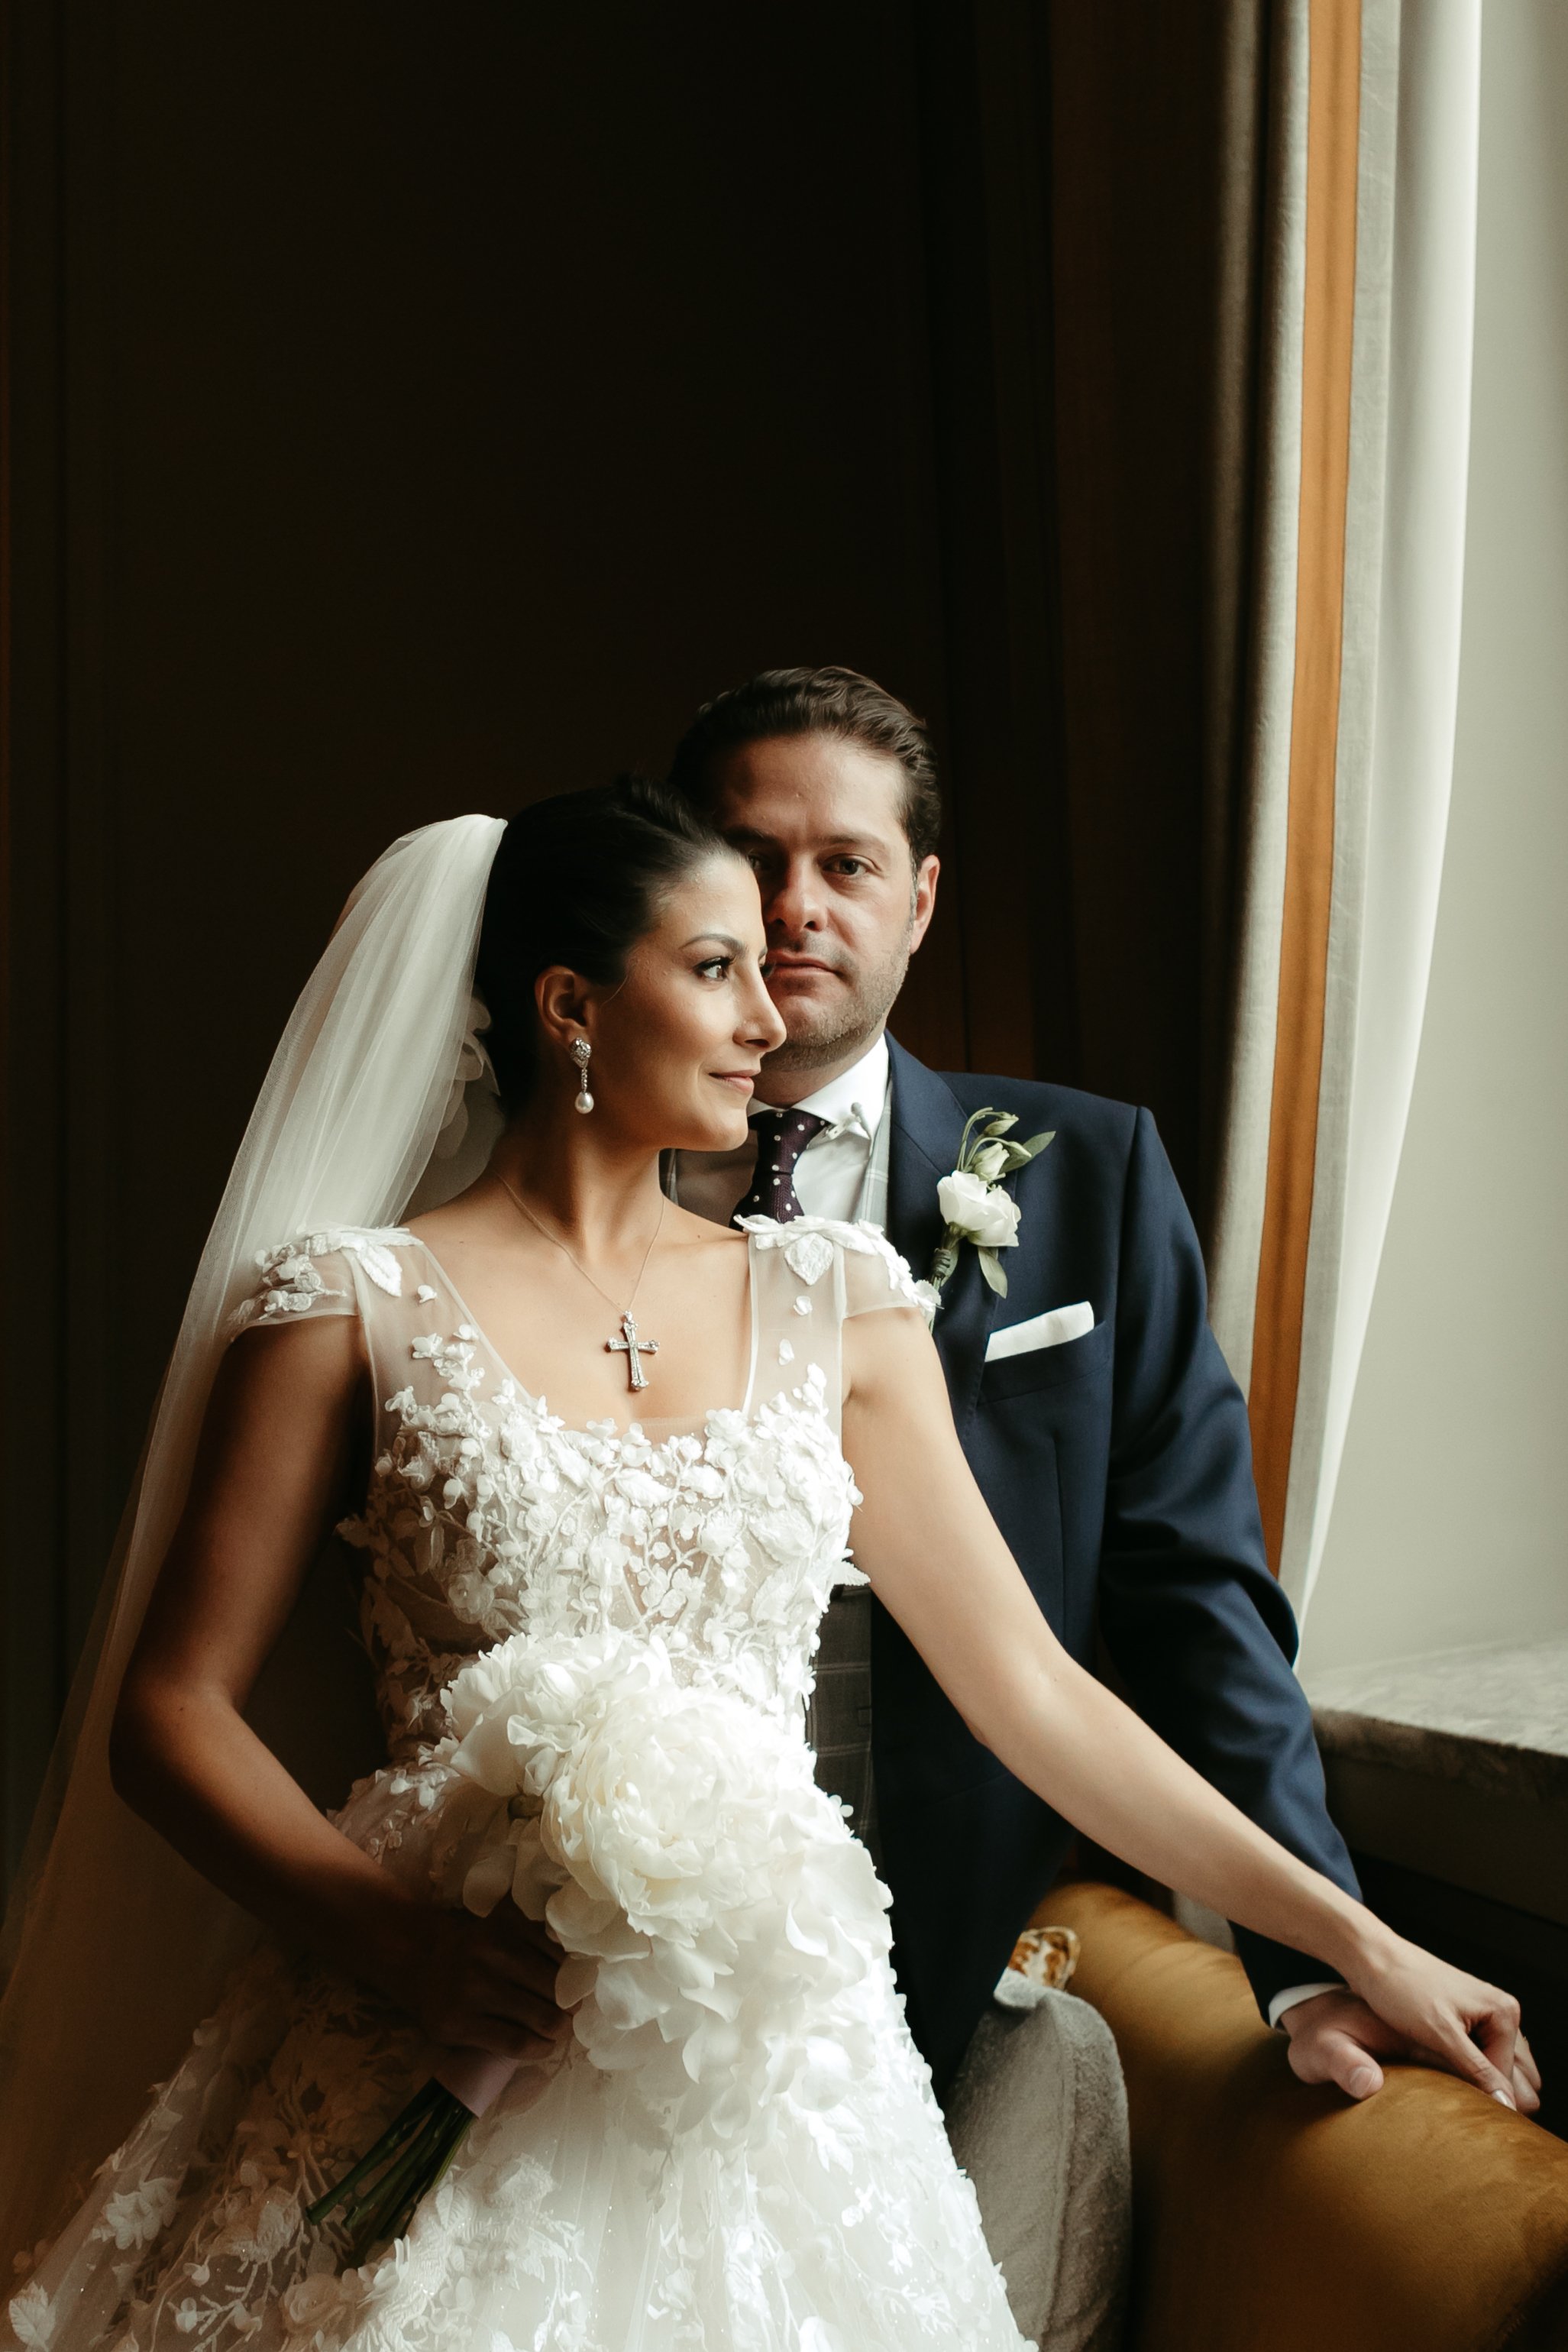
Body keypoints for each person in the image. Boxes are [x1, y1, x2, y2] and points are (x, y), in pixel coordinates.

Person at [0, 781, 1525, 2352]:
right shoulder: (347, 1304)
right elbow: (169, 1712)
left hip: (778, 2080)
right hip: (436, 2019)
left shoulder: (837, 1303)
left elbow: (1032, 1693)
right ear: (572, 1006)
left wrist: (1355, 1940)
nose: (767, 1014)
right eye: (715, 967)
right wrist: (405, 1949)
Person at [663, 665, 1542, 2118]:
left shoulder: (1090, 1174)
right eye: (753, 858)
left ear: (919, 900)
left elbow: (1194, 1595)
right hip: (630, 1928)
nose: (795, 906)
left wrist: (1315, 1957)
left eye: (846, 865)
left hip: (944, 1943)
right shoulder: (559, 1201)